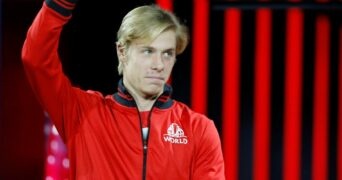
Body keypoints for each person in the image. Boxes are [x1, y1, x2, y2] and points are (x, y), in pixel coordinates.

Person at [22, 0, 225, 179]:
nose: (159, 64)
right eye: (148, 51)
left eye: (167, 53)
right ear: (122, 52)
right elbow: (36, 59)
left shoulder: (199, 130)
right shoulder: (81, 113)